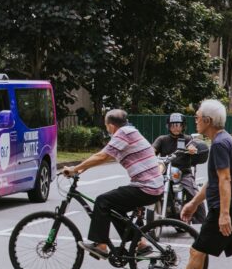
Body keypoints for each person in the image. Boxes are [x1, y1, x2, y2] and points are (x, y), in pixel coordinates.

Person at [150, 100, 232, 269]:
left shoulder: (221, 144)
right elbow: (214, 180)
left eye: (197, 117)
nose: (194, 121)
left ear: (208, 120)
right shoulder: (223, 140)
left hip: (226, 209)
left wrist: (224, 214)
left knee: (197, 251)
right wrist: (194, 203)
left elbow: (225, 179)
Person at [63, 109, 164, 259]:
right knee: (114, 209)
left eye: (106, 126)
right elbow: (106, 156)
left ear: (110, 126)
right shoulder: (130, 131)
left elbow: (102, 155)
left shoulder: (123, 133)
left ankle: (101, 246)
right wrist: (81, 168)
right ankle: (141, 244)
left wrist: (74, 169)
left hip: (146, 187)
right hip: (152, 187)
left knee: (103, 201)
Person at [151, 112, 205, 224]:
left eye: (178, 125)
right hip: (164, 172)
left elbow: (193, 145)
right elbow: (153, 150)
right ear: (168, 126)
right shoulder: (162, 139)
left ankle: (201, 224)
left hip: (183, 173)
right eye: (173, 125)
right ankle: (141, 219)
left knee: (195, 194)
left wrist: (192, 149)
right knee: (147, 187)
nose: (176, 127)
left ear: (183, 126)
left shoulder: (188, 139)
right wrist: (150, 154)